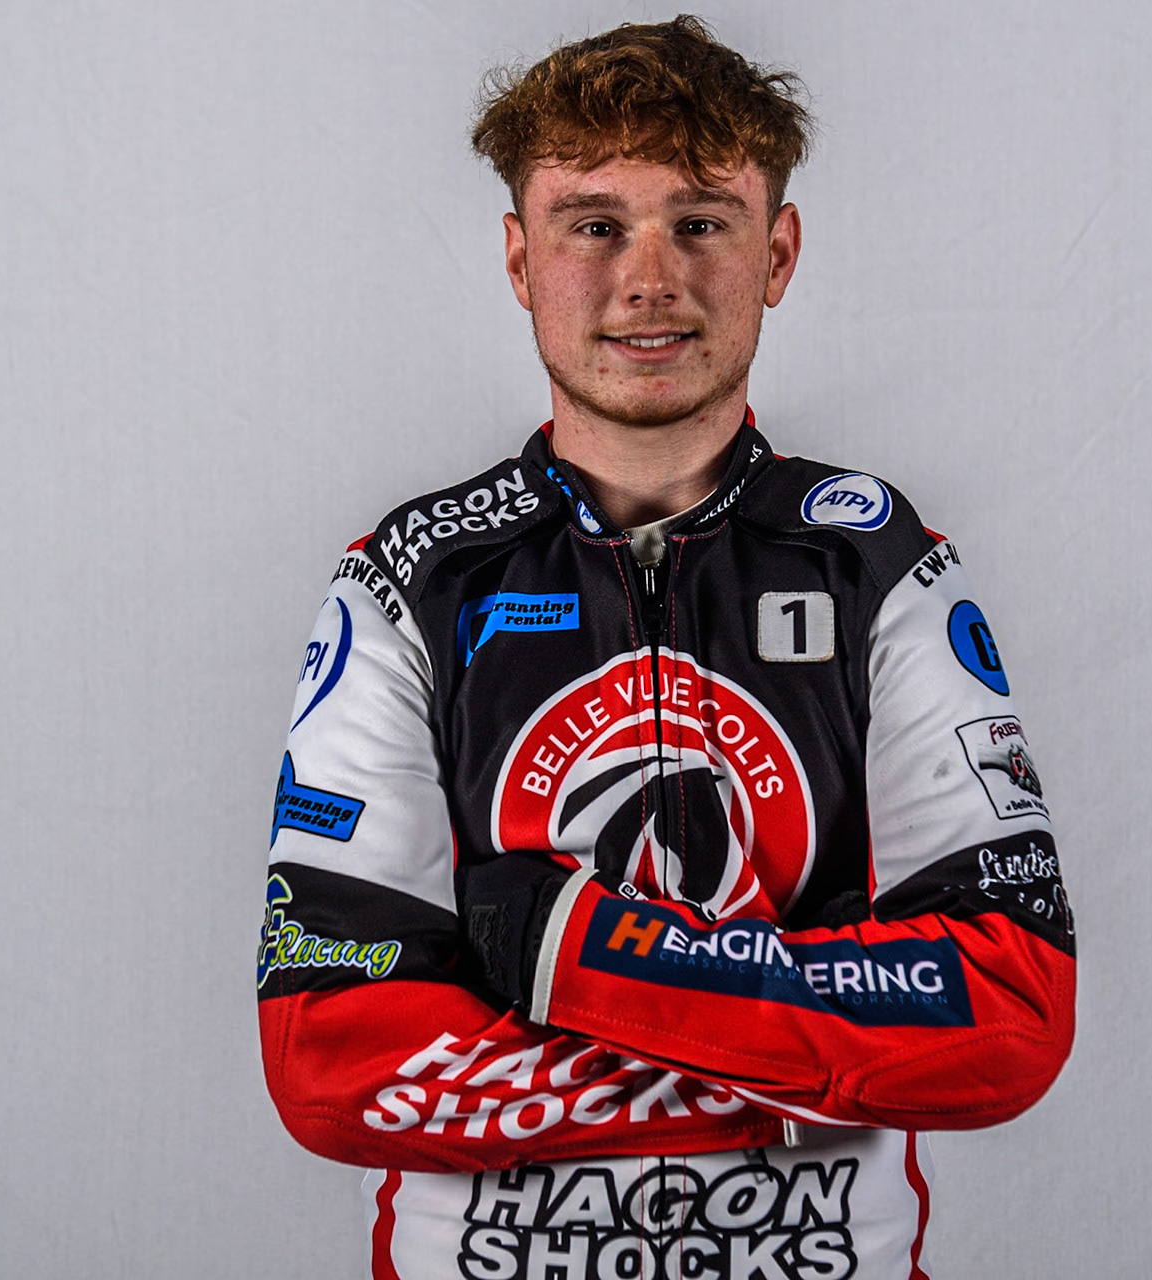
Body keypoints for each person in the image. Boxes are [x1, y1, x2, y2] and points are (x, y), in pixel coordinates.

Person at [258, 16, 1075, 1278]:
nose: (650, 279)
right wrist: (798, 1059)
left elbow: (1009, 1013)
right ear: (521, 260)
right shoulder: (409, 577)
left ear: (777, 252)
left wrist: (567, 953)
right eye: (594, 225)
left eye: (700, 221)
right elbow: (331, 1057)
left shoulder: (881, 564)